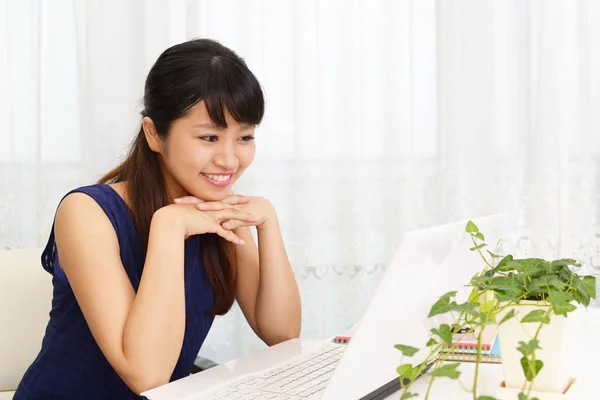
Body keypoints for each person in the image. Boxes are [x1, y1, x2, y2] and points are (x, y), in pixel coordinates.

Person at [14, 38, 301, 400]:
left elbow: (283, 334)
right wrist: (168, 227)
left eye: (244, 137)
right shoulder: (87, 212)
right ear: (154, 134)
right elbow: (146, 374)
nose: (229, 160)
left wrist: (268, 223)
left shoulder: (219, 210)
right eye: (209, 137)